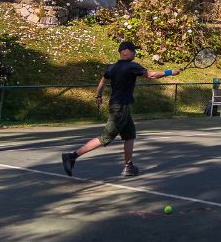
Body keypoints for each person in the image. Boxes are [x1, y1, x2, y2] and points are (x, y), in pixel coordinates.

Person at [61, 41, 180, 177]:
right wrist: (170, 72)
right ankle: (72, 156)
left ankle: (128, 166)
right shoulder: (131, 66)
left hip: (119, 106)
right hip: (120, 108)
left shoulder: (112, 68)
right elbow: (151, 75)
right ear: (124, 52)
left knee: (130, 135)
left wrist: (98, 95)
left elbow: (102, 81)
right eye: (133, 50)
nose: (135, 53)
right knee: (105, 137)